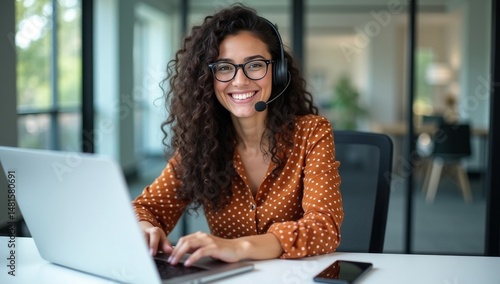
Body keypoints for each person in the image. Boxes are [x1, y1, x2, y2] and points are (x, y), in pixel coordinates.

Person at [132, 3, 343, 267]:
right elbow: (146, 208)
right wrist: (144, 228)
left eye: (254, 65)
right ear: (207, 78)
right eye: (224, 67)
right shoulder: (201, 145)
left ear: (276, 72)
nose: (240, 81)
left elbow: (325, 228)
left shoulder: (311, 133)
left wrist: (238, 247)